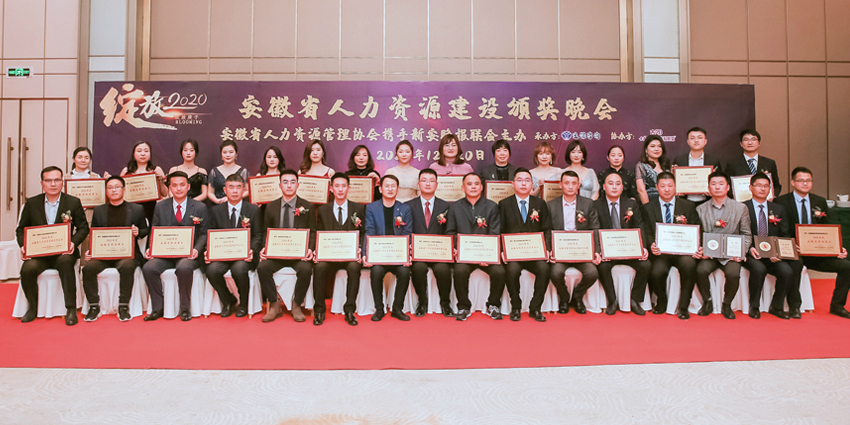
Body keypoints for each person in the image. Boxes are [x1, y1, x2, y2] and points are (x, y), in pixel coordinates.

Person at [16, 166, 90, 325]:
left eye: (57, 180)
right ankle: (32, 307)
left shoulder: (73, 202)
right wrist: (23, 245)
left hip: (64, 252)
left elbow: (83, 228)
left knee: (65, 263)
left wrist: (73, 243)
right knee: (27, 269)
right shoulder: (32, 203)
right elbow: (21, 229)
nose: (53, 184)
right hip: (39, 254)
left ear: (62, 182)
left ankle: (70, 309)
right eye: (48, 180)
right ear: (42, 183)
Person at [775, 167, 850, 319]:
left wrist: (837, 248)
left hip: (817, 252)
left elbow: (828, 228)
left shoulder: (819, 201)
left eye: (808, 180)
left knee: (847, 266)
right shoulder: (781, 202)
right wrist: (791, 246)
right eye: (801, 180)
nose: (805, 183)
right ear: (793, 182)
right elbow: (779, 230)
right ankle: (795, 306)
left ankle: (837, 305)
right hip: (795, 251)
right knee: (795, 265)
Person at [142, 171, 208, 322]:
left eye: (182, 185)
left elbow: (204, 233)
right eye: (175, 185)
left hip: (189, 255)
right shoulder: (160, 207)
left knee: (183, 268)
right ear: (170, 188)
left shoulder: (200, 207)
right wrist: (150, 248)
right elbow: (155, 230)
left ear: (188, 186)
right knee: (149, 268)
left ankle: (185, 309)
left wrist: (197, 249)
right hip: (165, 255)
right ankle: (158, 308)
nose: (178, 188)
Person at [81, 176, 149, 322]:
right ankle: (94, 306)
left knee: (126, 266)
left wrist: (138, 232)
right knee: (88, 268)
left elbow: (145, 230)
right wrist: (91, 251)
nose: (114, 190)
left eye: (117, 187)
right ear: (106, 191)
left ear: (124, 190)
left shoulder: (136, 209)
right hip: (103, 255)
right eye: (110, 188)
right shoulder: (99, 210)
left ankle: (123, 306)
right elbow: (94, 233)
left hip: (127, 255)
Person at [256, 170, 316, 323]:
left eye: (292, 182)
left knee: (306, 269)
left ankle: (297, 304)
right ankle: (274, 304)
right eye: (285, 182)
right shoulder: (270, 207)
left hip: (298, 255)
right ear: (279, 185)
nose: (289, 185)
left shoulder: (307, 206)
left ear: (298, 185)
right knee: (262, 267)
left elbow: (313, 232)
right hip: (277, 254)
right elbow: (266, 231)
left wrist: (310, 249)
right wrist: (264, 248)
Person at [641, 171, 701, 319]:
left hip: (683, 252)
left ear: (675, 187)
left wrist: (697, 247)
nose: (666, 189)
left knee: (689, 266)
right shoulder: (648, 208)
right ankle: (662, 300)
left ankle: (683, 306)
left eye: (670, 186)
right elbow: (646, 231)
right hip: (661, 253)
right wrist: (651, 245)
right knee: (656, 272)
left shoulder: (688, 206)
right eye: (663, 186)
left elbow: (697, 228)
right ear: (657, 187)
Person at [446, 173, 506, 320]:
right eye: (469, 184)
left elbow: (494, 233)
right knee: (460, 271)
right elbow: (450, 232)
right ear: (463, 187)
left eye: (476, 184)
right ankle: (463, 306)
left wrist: (487, 255)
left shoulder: (492, 206)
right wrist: (458, 249)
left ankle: (493, 305)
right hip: (464, 255)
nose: (473, 187)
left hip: (486, 255)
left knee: (499, 271)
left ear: (481, 187)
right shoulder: (454, 207)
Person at [742, 173, 802, 320]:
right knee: (759, 269)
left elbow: (784, 234)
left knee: (786, 271)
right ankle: (754, 306)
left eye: (766, 186)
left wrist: (779, 252)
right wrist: (749, 248)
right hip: (752, 253)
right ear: (750, 187)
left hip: (773, 254)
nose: (763, 189)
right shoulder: (743, 207)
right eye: (759, 185)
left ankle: (777, 306)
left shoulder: (778, 209)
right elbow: (739, 232)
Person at [204, 174, 263, 319]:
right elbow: (211, 234)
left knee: (239, 269)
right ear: (225, 190)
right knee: (212, 270)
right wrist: (209, 251)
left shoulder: (253, 210)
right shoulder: (216, 210)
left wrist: (251, 250)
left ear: (244, 190)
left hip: (245, 255)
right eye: (231, 187)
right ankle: (227, 300)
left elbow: (258, 235)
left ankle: (243, 303)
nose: (235, 191)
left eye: (238, 187)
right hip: (223, 255)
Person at [695, 171, 752, 320]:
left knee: (733, 274)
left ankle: (727, 304)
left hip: (731, 254)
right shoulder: (700, 209)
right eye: (713, 184)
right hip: (710, 254)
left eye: (721, 184)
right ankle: (707, 301)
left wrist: (741, 252)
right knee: (700, 270)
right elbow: (698, 234)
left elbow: (746, 234)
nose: (717, 187)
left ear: (728, 187)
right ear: (708, 188)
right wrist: (701, 249)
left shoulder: (740, 208)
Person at [593, 173, 651, 315]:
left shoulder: (631, 204)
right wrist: (599, 251)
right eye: (610, 183)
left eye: (618, 184)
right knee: (603, 266)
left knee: (646, 265)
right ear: (604, 187)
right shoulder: (596, 205)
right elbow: (594, 229)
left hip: (629, 250)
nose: (614, 187)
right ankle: (612, 301)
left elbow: (639, 226)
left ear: (622, 187)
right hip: (608, 251)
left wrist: (642, 247)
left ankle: (635, 299)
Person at [498, 168, 552, 322]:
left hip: (535, 254)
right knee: (512, 270)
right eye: (519, 180)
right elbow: (499, 230)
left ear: (532, 184)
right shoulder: (504, 204)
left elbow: (547, 229)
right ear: (513, 184)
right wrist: (502, 251)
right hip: (513, 254)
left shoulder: (540, 204)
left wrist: (547, 249)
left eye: (527, 180)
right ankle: (516, 307)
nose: (523, 183)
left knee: (544, 269)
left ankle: (535, 308)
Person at [313, 173, 366, 326]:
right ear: (331, 189)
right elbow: (319, 233)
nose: (340, 189)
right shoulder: (323, 210)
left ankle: (349, 310)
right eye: (337, 186)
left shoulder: (358, 208)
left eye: (343, 186)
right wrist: (317, 250)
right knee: (319, 267)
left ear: (349, 188)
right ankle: (319, 311)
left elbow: (363, 233)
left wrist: (359, 249)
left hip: (350, 256)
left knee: (354, 267)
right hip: (329, 256)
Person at [547, 170, 602, 315]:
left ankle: (577, 296)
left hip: (582, 251)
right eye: (567, 183)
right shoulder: (551, 205)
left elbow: (595, 228)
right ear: (560, 185)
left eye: (573, 183)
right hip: (561, 252)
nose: (570, 186)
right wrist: (549, 250)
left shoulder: (588, 204)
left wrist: (596, 251)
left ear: (579, 185)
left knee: (592, 273)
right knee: (555, 273)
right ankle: (564, 298)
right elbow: (547, 230)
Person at [364, 175, 414, 321]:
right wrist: (366, 254)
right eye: (386, 186)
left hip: (398, 255)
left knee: (405, 272)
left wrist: (407, 255)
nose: (390, 189)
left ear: (397, 189)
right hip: (379, 255)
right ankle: (379, 309)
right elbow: (369, 231)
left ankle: (397, 309)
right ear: (380, 189)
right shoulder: (371, 208)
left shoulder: (405, 209)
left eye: (393, 186)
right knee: (376, 271)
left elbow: (407, 233)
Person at [405, 169, 452, 317]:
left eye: (431, 181)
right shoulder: (408, 206)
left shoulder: (446, 206)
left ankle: (445, 303)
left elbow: (450, 230)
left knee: (443, 270)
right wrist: (409, 246)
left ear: (437, 185)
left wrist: (449, 248)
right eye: (424, 180)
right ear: (418, 184)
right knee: (418, 269)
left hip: (439, 253)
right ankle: (422, 302)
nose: (427, 184)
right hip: (418, 253)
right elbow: (405, 230)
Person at [120, 141, 169, 222]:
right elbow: (121, 193)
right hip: (131, 210)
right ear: (133, 154)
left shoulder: (156, 170)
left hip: (151, 210)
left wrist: (160, 181)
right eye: (139, 151)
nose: (143, 154)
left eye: (146, 151)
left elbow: (165, 193)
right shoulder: (126, 171)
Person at [673, 127, 723, 205]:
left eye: (700, 138)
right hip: (685, 203)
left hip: (707, 202)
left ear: (705, 141)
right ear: (688, 142)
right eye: (692, 138)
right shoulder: (679, 160)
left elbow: (719, 181)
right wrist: (677, 189)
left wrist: (712, 190)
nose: (696, 140)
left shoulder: (713, 161)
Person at [725, 129, 782, 196]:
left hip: (764, 201)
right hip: (741, 201)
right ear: (741, 144)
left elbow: (776, 186)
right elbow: (727, 185)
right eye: (746, 140)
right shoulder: (732, 164)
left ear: (759, 143)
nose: (750, 142)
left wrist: (772, 196)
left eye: (753, 139)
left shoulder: (769, 163)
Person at [207, 140, 249, 205]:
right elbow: (210, 192)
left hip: (237, 205)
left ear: (236, 154)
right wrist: (217, 201)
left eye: (231, 152)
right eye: (225, 152)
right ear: (221, 154)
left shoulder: (243, 171)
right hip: (218, 206)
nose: (228, 155)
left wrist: (232, 198)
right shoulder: (214, 171)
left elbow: (247, 190)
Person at [636, 136, 671, 204]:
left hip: (667, 203)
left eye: (659, 146)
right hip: (651, 202)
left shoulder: (666, 165)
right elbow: (641, 190)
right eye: (652, 146)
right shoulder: (641, 166)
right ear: (646, 150)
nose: (656, 149)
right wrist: (647, 207)